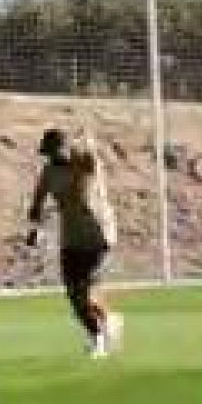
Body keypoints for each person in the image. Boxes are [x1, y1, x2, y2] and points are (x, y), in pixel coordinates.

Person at [26, 127, 124, 358]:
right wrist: (35, 229)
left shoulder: (85, 163)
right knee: (73, 293)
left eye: (54, 152)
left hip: (98, 234)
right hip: (71, 237)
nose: (50, 157)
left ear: (65, 149)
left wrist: (84, 139)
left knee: (85, 291)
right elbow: (37, 204)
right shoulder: (49, 172)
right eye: (47, 153)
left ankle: (97, 339)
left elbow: (91, 152)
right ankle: (107, 320)